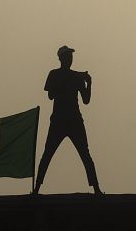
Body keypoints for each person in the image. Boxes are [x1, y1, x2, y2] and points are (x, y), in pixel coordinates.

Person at [33, 45, 101, 194]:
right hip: (58, 120)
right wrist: (72, 78)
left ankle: (96, 188)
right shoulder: (55, 74)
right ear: (61, 59)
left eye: (71, 57)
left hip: (74, 120)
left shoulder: (76, 77)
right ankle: (37, 188)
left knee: (85, 154)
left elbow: (86, 100)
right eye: (67, 57)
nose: (70, 59)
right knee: (48, 154)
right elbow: (51, 95)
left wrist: (89, 83)